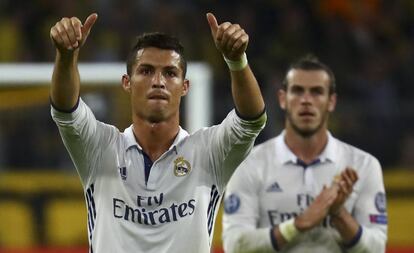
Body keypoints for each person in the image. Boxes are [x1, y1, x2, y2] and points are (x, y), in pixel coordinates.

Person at [49, 12, 266, 253]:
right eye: (146, 71)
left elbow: (251, 121)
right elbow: (66, 112)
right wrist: (66, 57)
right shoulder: (100, 148)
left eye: (170, 73)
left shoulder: (208, 152)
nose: (158, 81)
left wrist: (237, 61)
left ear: (185, 87)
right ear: (126, 82)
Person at [222, 55, 387, 253]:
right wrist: (297, 225)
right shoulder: (249, 164)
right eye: (298, 91)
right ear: (283, 99)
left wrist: (338, 214)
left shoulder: (363, 165)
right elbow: (234, 244)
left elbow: (377, 247)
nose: (306, 100)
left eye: (316, 92)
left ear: (331, 102)